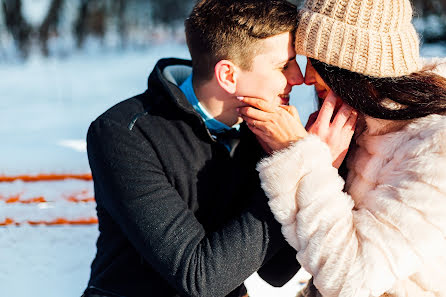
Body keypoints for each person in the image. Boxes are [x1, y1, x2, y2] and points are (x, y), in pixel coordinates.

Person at [83, 0, 305, 296]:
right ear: (228, 75)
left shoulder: (265, 130)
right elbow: (200, 279)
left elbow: (278, 271)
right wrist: (291, 169)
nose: (298, 78)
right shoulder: (124, 133)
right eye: (284, 65)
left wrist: (311, 164)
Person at [238, 0, 446, 296]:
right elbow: (286, 267)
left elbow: (352, 279)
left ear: (352, 66)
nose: (306, 78)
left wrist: (302, 157)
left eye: (315, 61)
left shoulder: (437, 147)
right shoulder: (360, 124)